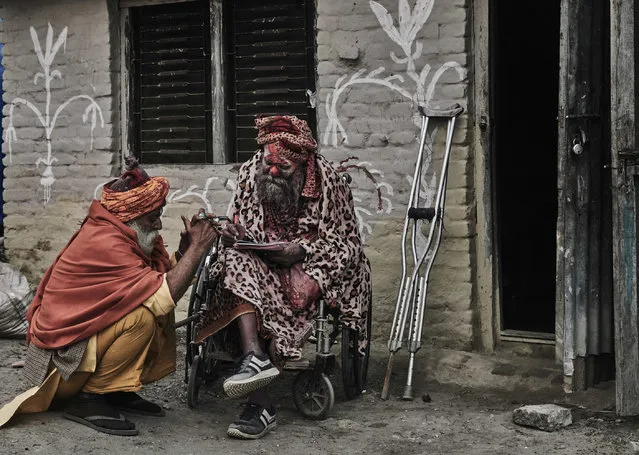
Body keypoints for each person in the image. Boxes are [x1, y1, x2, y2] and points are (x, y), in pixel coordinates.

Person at [0, 157, 218, 436]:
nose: (160, 226)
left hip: (74, 350)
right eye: (153, 218)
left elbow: (160, 282)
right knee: (143, 316)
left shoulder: (124, 234)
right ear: (131, 218)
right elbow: (164, 294)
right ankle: (90, 397)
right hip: (60, 366)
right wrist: (198, 250)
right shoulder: (107, 242)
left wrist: (186, 252)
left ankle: (114, 390)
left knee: (148, 305)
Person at [196, 115, 372, 440]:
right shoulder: (251, 173)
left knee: (270, 285)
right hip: (258, 270)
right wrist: (236, 232)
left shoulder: (329, 183)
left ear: (304, 163)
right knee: (233, 258)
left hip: (305, 277)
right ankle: (255, 358)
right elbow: (239, 218)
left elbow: (347, 246)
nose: (273, 171)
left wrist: (301, 251)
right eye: (269, 164)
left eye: (283, 168)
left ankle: (258, 401)